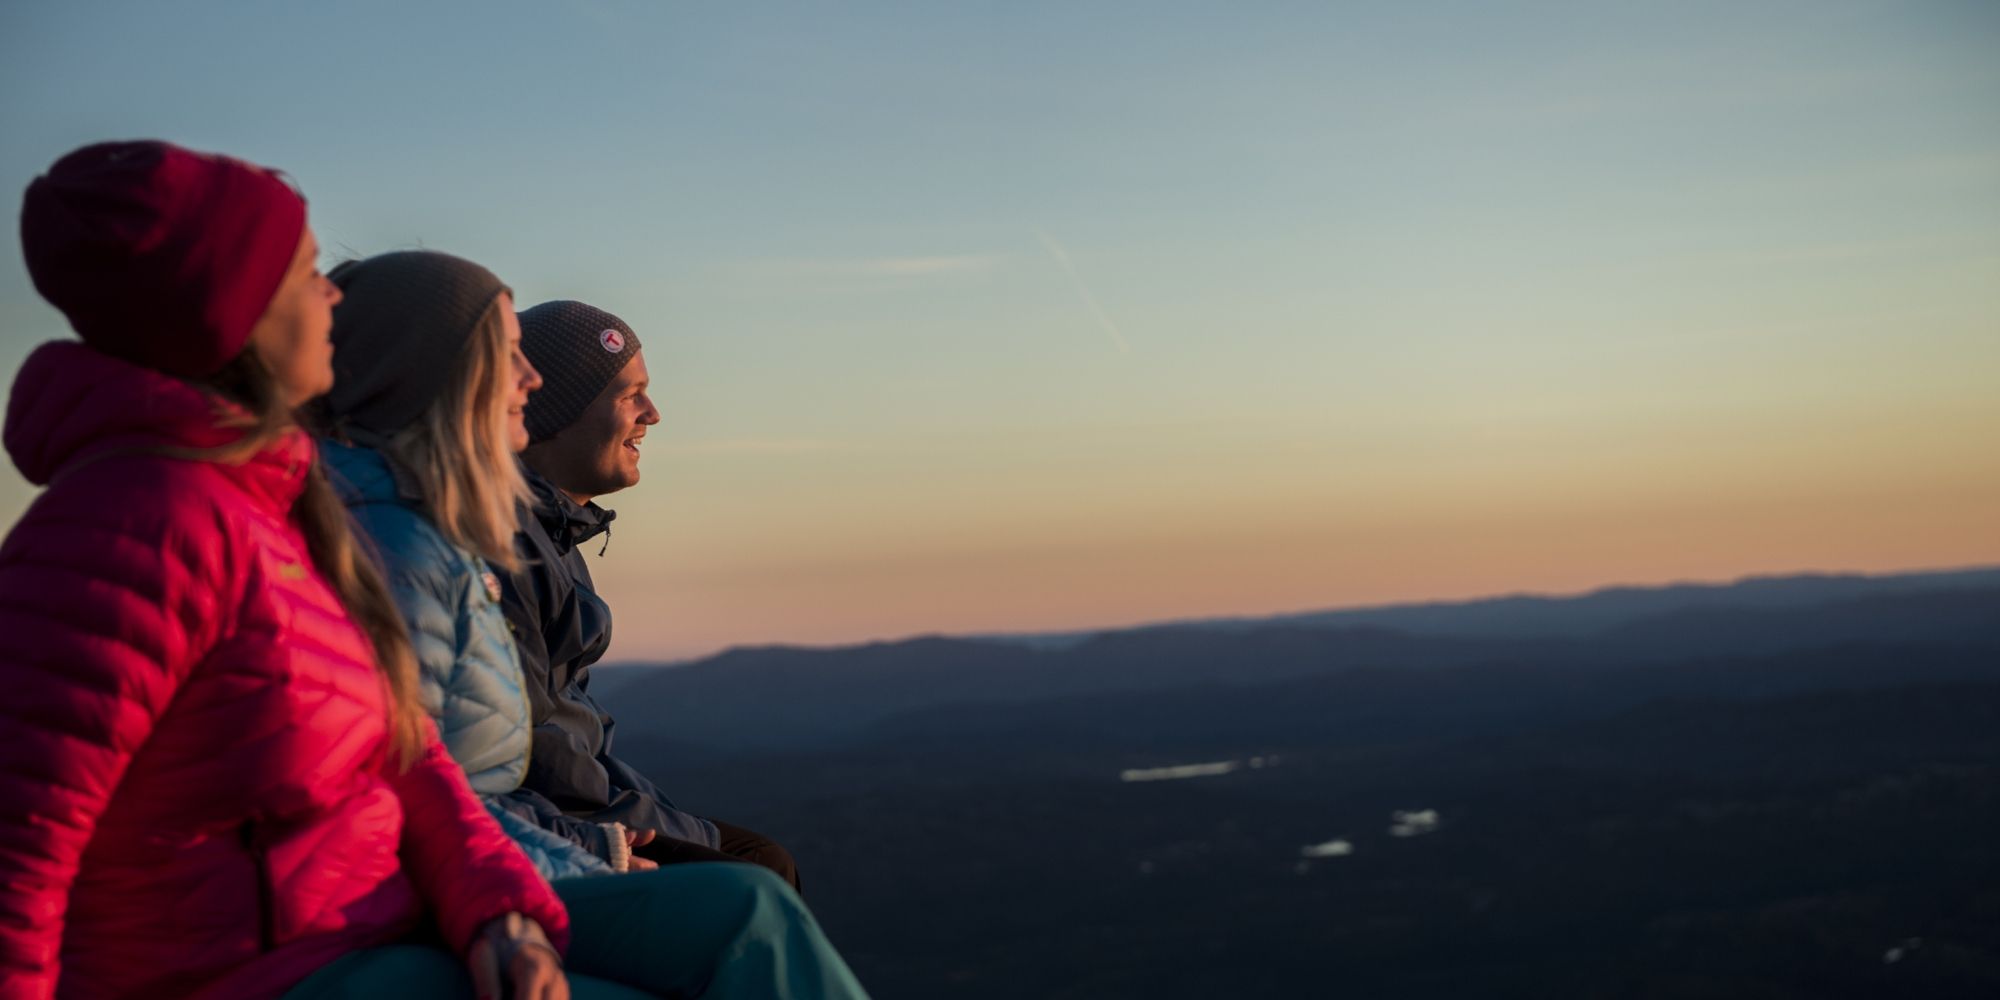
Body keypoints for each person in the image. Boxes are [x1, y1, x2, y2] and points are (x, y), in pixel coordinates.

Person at [0, 140, 567, 1000]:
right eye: (308, 272)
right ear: (236, 309)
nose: (335, 294)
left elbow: (403, 753)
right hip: (274, 974)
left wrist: (497, 917)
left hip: (367, 940)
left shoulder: (269, 502)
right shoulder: (135, 526)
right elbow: (19, 848)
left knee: (741, 907)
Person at [308, 253, 867, 998]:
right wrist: (595, 846)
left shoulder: (493, 532)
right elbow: (492, 765)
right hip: (494, 854)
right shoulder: (444, 543)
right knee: (750, 888)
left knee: (755, 876)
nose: (654, 414)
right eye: (631, 394)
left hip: (503, 849)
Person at [502, 300, 799, 888]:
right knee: (758, 875)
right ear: (555, 413)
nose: (652, 414)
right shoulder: (511, 547)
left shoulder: (554, 535)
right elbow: (540, 752)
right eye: (627, 393)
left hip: (586, 808)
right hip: (562, 824)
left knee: (764, 859)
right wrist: (650, 822)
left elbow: (581, 732)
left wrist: (665, 816)